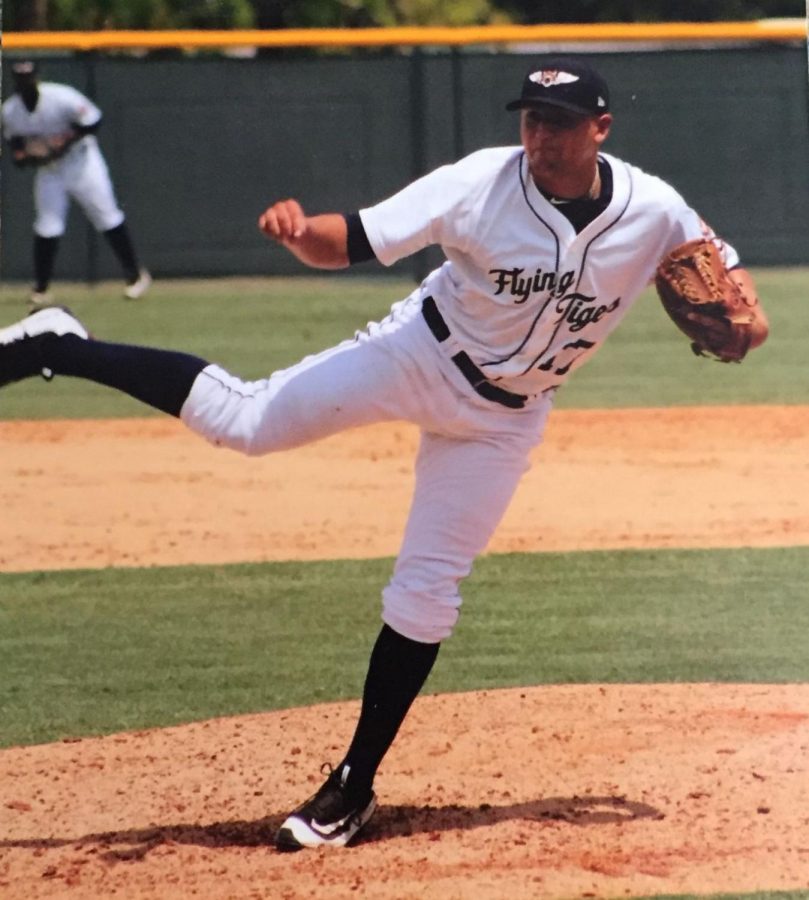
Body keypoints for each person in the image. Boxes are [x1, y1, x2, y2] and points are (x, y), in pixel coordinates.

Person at [0, 56, 768, 851]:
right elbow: (355, 238)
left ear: (599, 129)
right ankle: (63, 345)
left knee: (427, 593)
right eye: (531, 118)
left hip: (506, 420)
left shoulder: (657, 211)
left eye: (560, 122)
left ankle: (350, 788)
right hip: (418, 355)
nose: (540, 135)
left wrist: (737, 329)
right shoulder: (478, 182)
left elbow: (741, 309)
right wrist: (304, 236)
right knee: (247, 421)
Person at [2, 60, 152, 308]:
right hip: (50, 171)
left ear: (36, 78)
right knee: (47, 225)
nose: (25, 84)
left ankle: (135, 276)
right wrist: (31, 155)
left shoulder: (61, 97)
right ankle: (41, 289)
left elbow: (93, 120)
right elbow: (17, 152)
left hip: (82, 164)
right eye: (20, 79)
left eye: (28, 78)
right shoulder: (10, 111)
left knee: (107, 216)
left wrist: (63, 142)